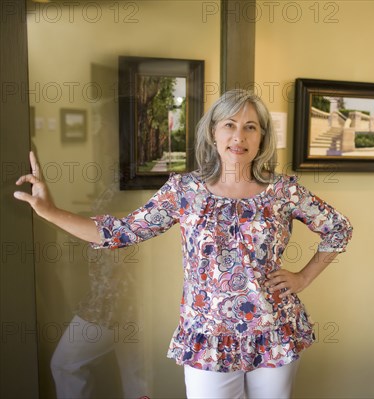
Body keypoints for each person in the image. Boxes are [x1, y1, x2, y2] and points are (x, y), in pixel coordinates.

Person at [14, 89, 353, 399]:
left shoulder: (284, 191)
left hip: (274, 330)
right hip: (208, 335)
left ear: (262, 136)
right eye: (229, 125)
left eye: (251, 127)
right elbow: (118, 232)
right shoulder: (184, 191)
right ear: (212, 132)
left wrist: (303, 278)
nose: (239, 136)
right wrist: (49, 212)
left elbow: (338, 229)